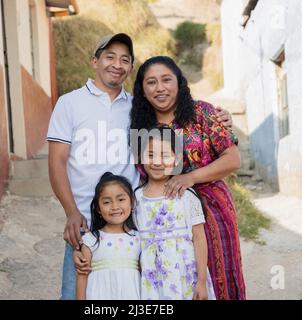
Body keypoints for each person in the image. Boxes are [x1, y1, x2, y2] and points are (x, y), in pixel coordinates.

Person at [47, 33, 233, 300]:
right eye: (109, 57)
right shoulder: (70, 103)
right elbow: (56, 161)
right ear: (94, 61)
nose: (117, 64)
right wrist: (71, 211)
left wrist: (220, 117)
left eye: (125, 59)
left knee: (134, 292)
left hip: (133, 222)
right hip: (86, 222)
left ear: (130, 68)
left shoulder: (137, 108)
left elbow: (173, 111)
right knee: (78, 292)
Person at [130, 56, 246, 300]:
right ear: (142, 90)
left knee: (220, 275)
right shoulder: (140, 126)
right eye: (151, 82)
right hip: (165, 214)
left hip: (213, 209)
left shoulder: (202, 111)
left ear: (179, 83)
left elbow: (232, 159)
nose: (159, 88)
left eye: (166, 80)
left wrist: (189, 177)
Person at [134, 127, 216, 300]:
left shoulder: (186, 196)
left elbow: (199, 238)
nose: (157, 162)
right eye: (150, 155)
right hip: (152, 281)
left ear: (177, 158)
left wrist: (201, 281)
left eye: (164, 155)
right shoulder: (136, 199)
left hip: (186, 277)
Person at [76, 172, 141, 300]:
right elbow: (82, 278)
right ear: (99, 209)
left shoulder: (139, 239)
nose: (115, 207)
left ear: (132, 203)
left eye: (121, 199)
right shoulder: (91, 240)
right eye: (106, 202)